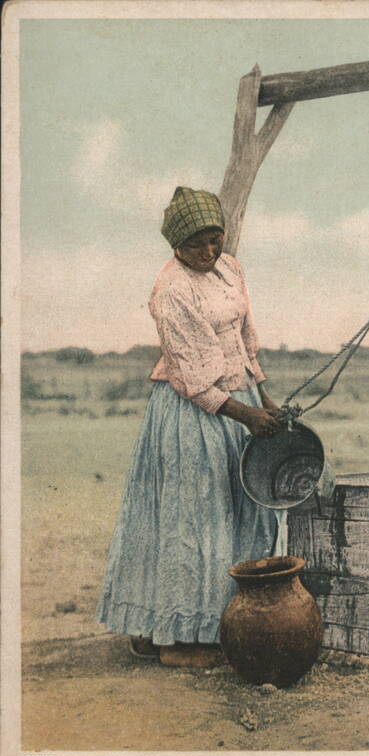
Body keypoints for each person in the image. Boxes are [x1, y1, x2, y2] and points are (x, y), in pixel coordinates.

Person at [96, 186, 286, 667]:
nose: (208, 252)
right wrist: (247, 415)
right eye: (196, 245)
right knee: (193, 521)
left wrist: (262, 395)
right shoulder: (172, 290)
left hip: (238, 403)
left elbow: (244, 340)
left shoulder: (230, 268)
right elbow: (194, 379)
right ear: (175, 245)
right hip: (193, 415)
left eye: (214, 240)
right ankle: (177, 639)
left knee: (239, 513)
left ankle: (205, 626)